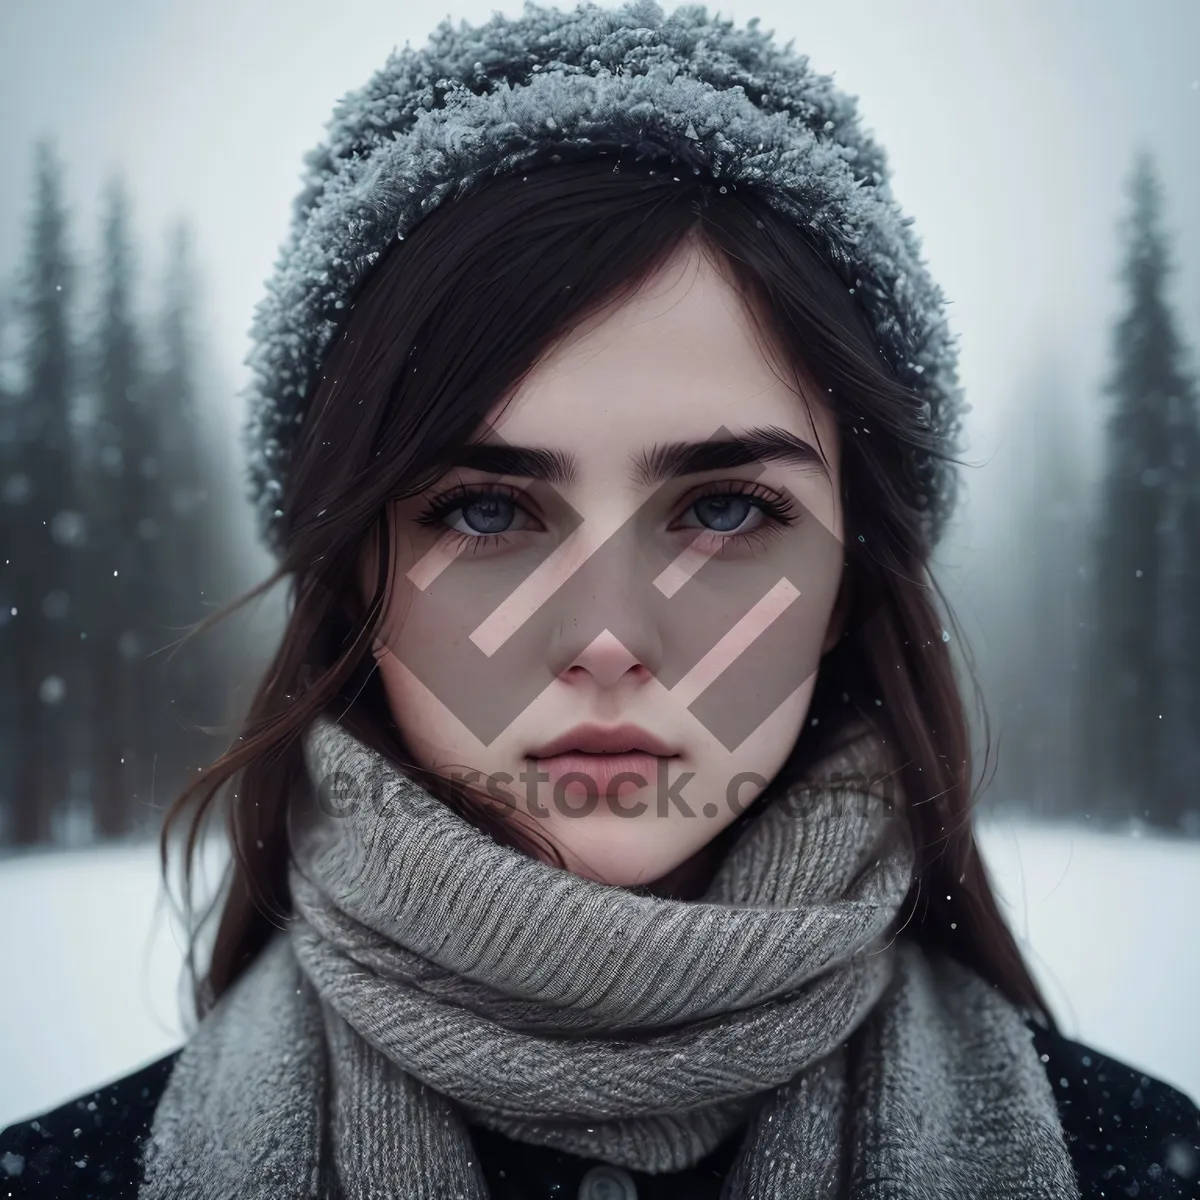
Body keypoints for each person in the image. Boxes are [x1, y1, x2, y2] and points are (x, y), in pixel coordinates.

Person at [3, 3, 1198, 1197]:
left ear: (849, 581)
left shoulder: (1141, 1165)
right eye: (484, 512)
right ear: (354, 578)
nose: (610, 638)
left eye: (726, 510)